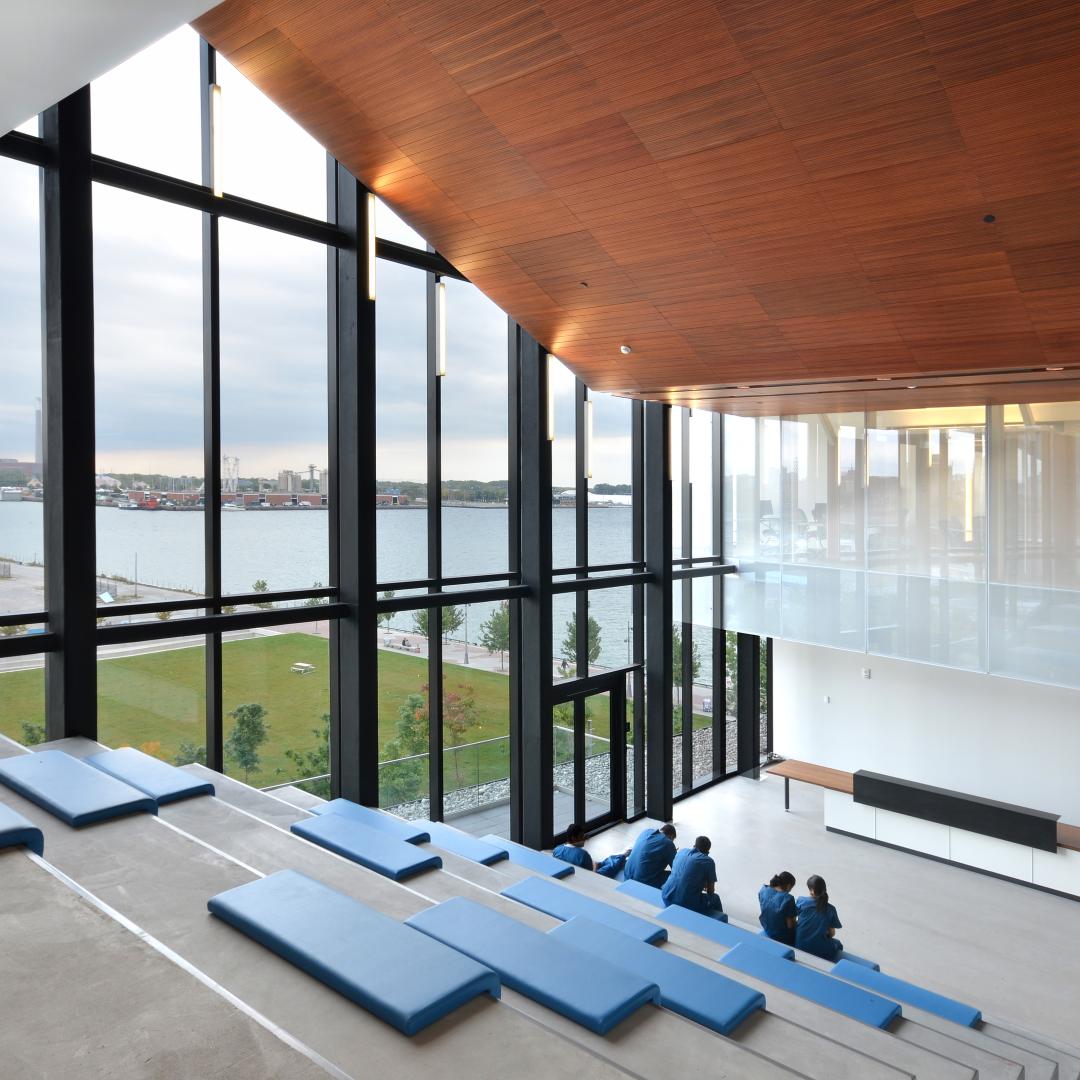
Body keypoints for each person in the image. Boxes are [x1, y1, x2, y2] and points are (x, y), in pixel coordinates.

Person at [660, 835, 723, 915]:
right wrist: (703, 884)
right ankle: (721, 923)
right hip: (685, 904)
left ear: (694, 846)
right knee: (715, 898)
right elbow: (710, 891)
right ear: (708, 852)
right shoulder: (708, 861)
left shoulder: (681, 852)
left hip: (666, 896)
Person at [795, 874, 843, 960]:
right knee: (838, 944)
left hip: (799, 945)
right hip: (819, 950)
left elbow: (795, 918)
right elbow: (832, 934)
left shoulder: (801, 901)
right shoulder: (831, 909)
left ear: (811, 890)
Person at [625, 823, 677, 888]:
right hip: (641, 883)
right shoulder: (668, 843)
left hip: (627, 875)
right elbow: (677, 868)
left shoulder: (646, 831)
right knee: (676, 877)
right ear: (671, 837)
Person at [758, 871, 797, 945]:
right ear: (789, 886)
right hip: (781, 937)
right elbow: (790, 926)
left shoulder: (763, 890)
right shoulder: (788, 899)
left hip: (766, 928)